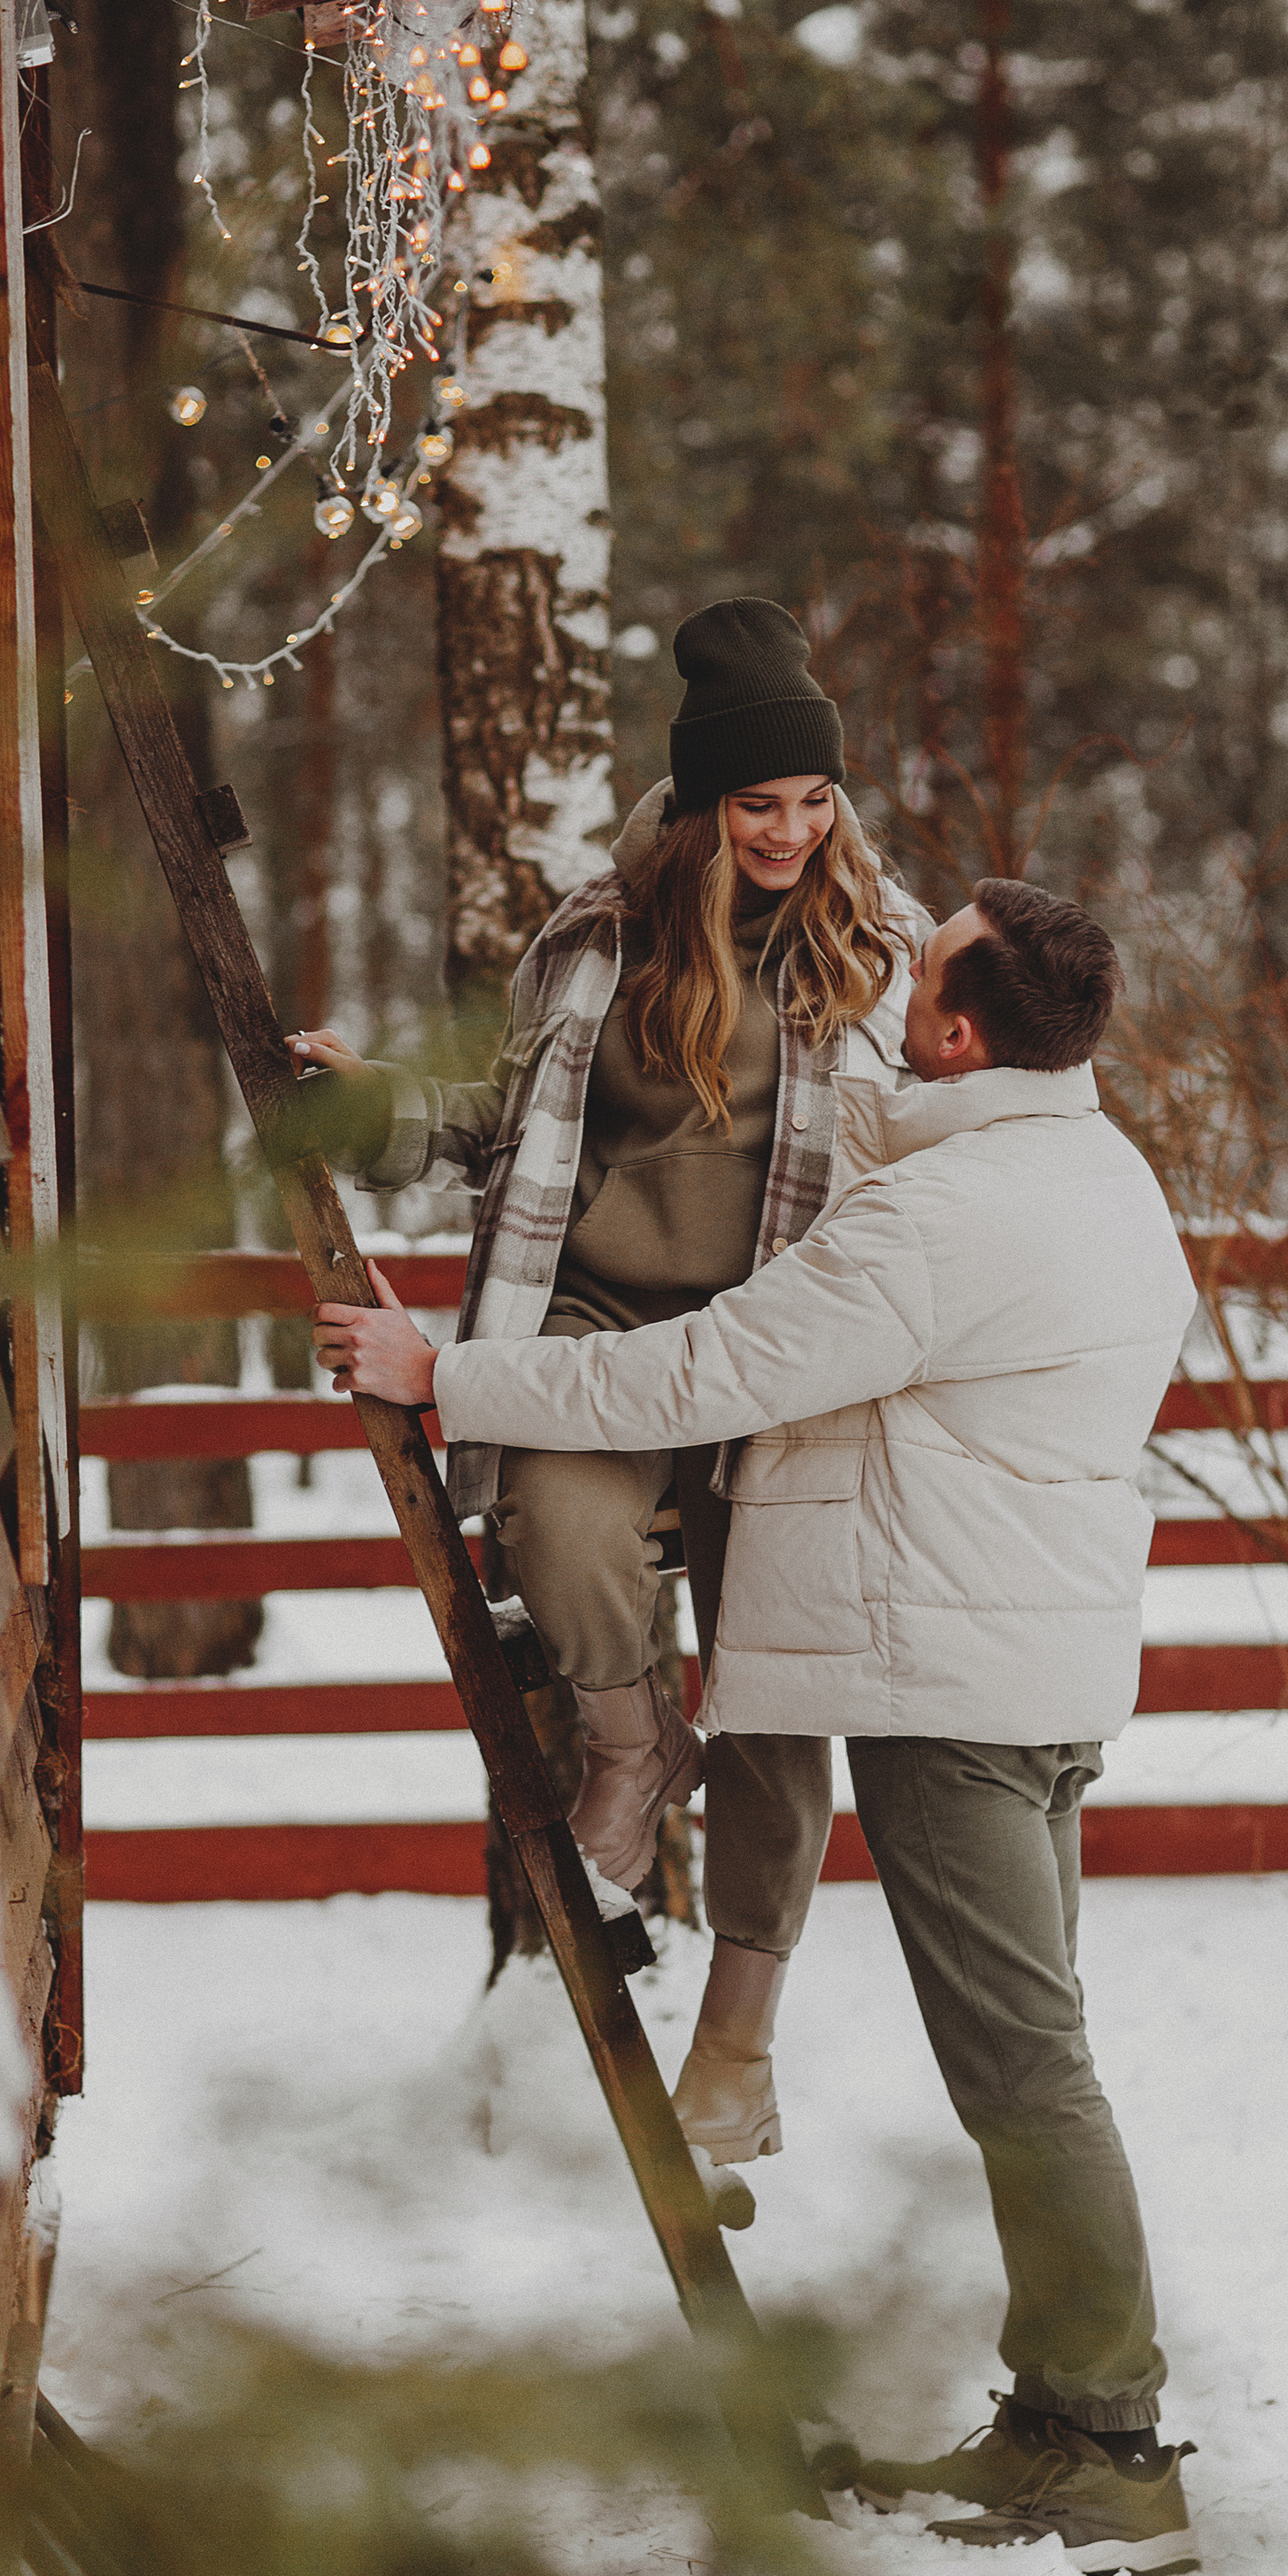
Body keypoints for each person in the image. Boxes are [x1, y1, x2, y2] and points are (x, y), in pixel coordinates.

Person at [312, 879, 1205, 2576]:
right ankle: (1063, 2415)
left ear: (956, 1032)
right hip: (1044, 1668)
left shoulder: (935, 1223)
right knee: (1038, 2058)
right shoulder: (1097, 1173)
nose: (886, 978)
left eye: (919, 972)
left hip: (953, 1691)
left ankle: (1106, 2441)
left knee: (1024, 2072)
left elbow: (696, 1375)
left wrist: (454, 1380)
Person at [278, 599, 927, 2183]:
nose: (789, 832)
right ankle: (634, 1749)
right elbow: (509, 1127)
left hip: (787, 1366)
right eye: (758, 804)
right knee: (557, 1531)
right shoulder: (598, 936)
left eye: (813, 800)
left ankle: (738, 2041)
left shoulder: (886, 952)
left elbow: (950, 1155)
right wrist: (368, 1110)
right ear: (701, 806)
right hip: (592, 1338)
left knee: (776, 1699)